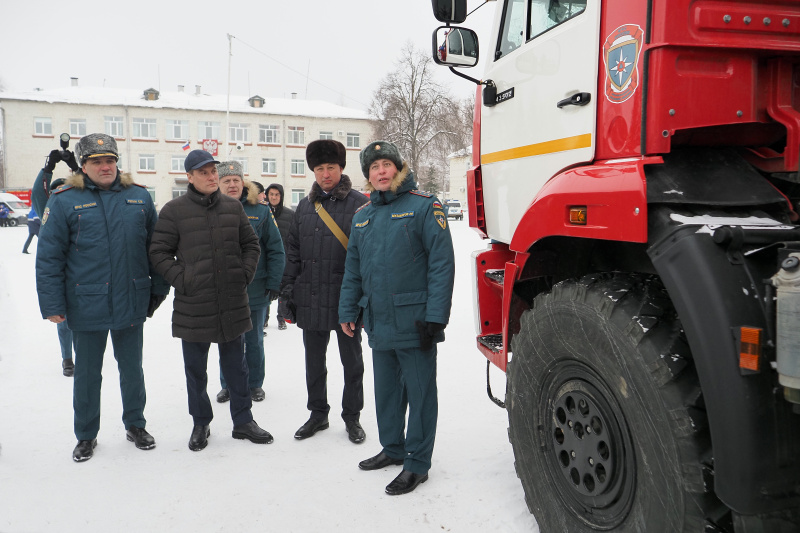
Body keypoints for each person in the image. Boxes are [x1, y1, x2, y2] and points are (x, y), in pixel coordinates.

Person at [35, 133, 169, 462]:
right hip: (86, 303)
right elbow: (49, 257)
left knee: (132, 370)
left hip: (130, 299)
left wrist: (158, 289)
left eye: (110, 160)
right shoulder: (64, 199)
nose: (105, 166)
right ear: (84, 165)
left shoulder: (139, 197)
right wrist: (52, 304)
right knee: (87, 374)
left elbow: (157, 248)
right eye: (97, 161)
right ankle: (86, 435)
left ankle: (135, 424)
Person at [339, 140, 455, 496]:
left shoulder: (424, 206)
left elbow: (441, 264)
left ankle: (417, 463)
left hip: (416, 321)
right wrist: (348, 309)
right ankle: (392, 448)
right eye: (374, 168)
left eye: (386, 164)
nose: (381, 172)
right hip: (378, 320)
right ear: (368, 176)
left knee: (420, 394)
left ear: (399, 168)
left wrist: (436, 317)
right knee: (387, 391)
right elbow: (354, 270)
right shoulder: (363, 216)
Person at [149, 149, 274, 451]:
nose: (211, 176)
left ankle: (243, 421)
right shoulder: (174, 210)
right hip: (194, 305)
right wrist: (184, 279)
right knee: (196, 370)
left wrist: (243, 273)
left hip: (231, 301)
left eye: (212, 171)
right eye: (203, 172)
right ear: (189, 177)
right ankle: (201, 423)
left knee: (237, 368)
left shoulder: (233, 207)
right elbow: (158, 252)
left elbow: (251, 245)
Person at [280, 139, 368, 444]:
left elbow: (368, 257)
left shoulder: (360, 205)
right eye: (319, 168)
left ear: (341, 168)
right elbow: (293, 253)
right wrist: (287, 293)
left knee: (352, 363)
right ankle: (317, 414)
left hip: (346, 301)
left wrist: (363, 300)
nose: (325, 173)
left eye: (331, 167)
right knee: (314, 362)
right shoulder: (304, 207)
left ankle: (352, 416)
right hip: (311, 298)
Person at [214, 162, 285, 404]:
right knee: (226, 338)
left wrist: (275, 282)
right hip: (222, 289)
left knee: (253, 339)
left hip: (255, 288)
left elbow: (276, 249)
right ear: (219, 183)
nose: (232, 184)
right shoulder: (210, 208)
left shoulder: (261, 211)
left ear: (243, 182)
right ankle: (228, 384)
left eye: (236, 180)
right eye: (227, 180)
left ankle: (255, 384)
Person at [32, 151, 79, 377]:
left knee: (85, 319)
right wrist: (48, 169)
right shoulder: (47, 209)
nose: (61, 193)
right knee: (64, 321)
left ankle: (84, 354)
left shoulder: (77, 205)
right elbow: (38, 192)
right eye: (56, 189)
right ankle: (67, 358)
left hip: (82, 268)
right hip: (61, 272)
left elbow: (91, 185)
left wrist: (76, 166)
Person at [264, 183, 295, 332]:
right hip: (266, 258)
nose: (274, 197)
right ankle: (264, 318)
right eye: (271, 194)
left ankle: (281, 317)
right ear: (267, 195)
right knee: (267, 287)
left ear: (281, 197)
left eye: (277, 195)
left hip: (285, 257)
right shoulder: (263, 211)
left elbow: (294, 236)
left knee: (283, 289)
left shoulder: (289, 215)